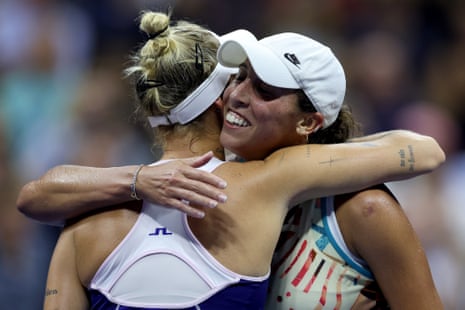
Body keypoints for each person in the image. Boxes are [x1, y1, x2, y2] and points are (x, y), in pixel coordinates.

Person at [17, 13, 445, 309]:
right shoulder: (256, 180)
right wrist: (141, 179)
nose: (239, 94)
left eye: (265, 89)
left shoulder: (363, 210)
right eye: (239, 78)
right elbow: (34, 196)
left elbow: (426, 150)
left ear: (309, 121)